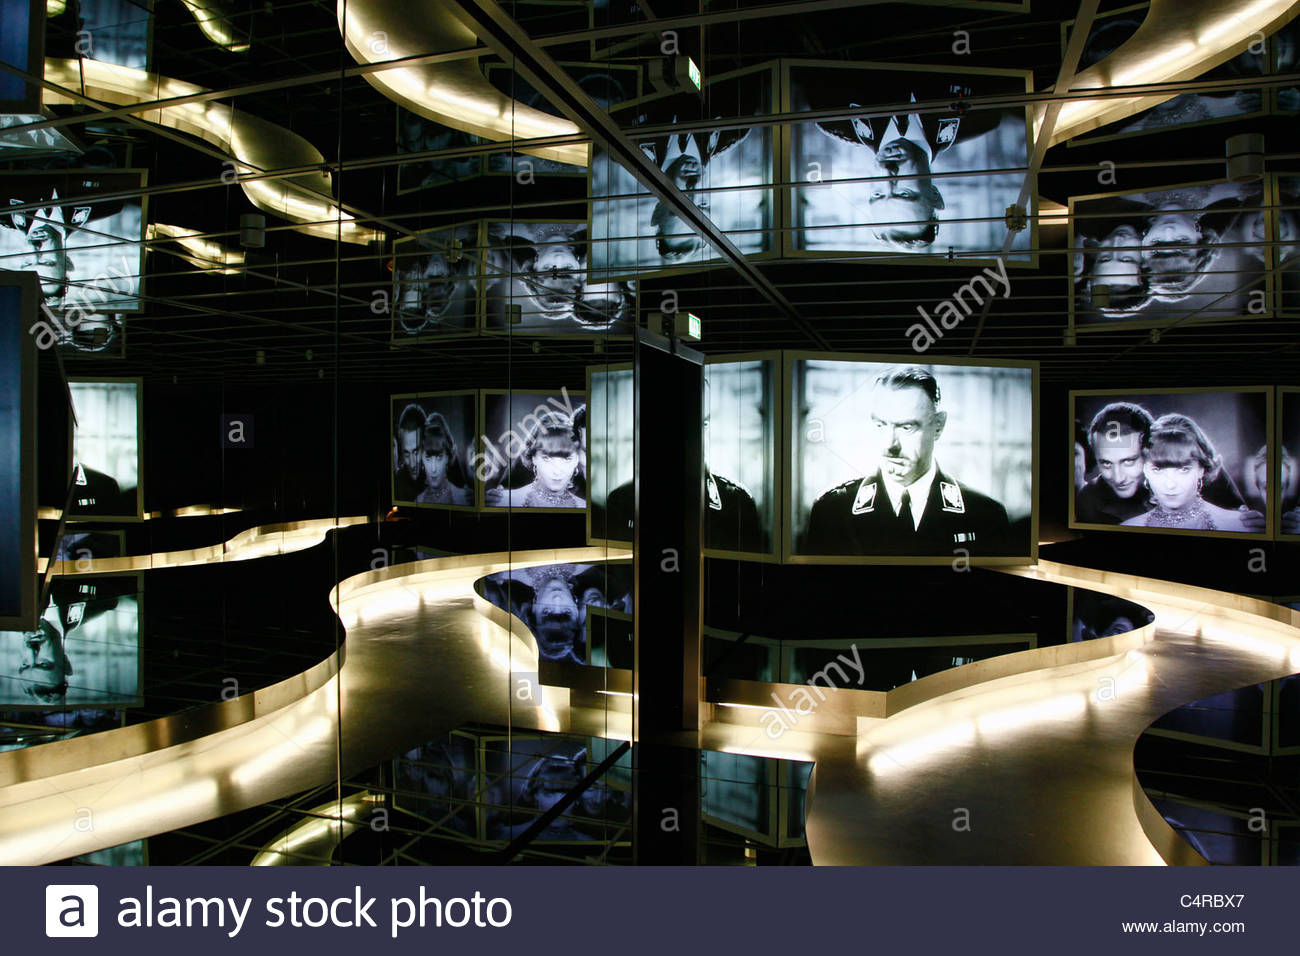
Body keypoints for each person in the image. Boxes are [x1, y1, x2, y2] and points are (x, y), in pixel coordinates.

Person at [802, 365, 1011, 555]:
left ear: (938, 426)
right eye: (881, 425)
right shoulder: (833, 512)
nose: (890, 444)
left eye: (906, 427)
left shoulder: (984, 515)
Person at [810, 78, 1004, 252]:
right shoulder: (981, 117)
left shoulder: (832, 117)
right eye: (903, 193)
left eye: (877, 195)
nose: (887, 173)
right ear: (935, 196)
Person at [1122, 414, 1263, 532]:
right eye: (1158, 469)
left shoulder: (1240, 524)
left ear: (1201, 469)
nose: (1170, 484)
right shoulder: (1127, 527)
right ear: (1144, 469)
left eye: (1183, 470)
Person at [485, 412, 585, 509]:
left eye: (566, 459)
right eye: (547, 458)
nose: (557, 471)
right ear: (534, 457)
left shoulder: (584, 502)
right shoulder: (505, 498)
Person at [1075, 402, 1154, 524]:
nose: (1118, 478)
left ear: (1150, 453)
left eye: (1128, 461)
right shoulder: (1086, 501)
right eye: (1106, 463)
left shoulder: (1179, 489)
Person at [413, 412, 471, 505]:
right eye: (428, 458)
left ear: (448, 458)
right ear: (421, 459)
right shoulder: (417, 501)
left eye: (439, 457)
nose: (433, 469)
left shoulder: (464, 498)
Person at [392, 402, 428, 501]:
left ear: (425, 444)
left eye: (416, 452)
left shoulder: (442, 480)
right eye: (407, 453)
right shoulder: (396, 485)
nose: (412, 464)